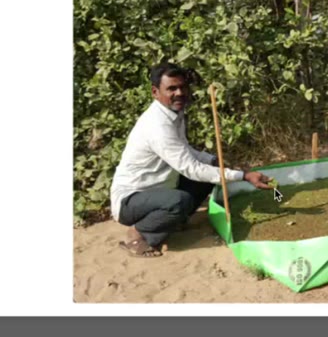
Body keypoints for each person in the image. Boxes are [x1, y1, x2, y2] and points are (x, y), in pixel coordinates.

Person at [109, 63, 273, 257]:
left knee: (208, 175)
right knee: (180, 200)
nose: (179, 93)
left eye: (182, 87)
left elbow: (185, 151)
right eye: (171, 88)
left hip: (160, 188)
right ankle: (139, 236)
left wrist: (215, 160)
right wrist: (243, 176)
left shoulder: (174, 113)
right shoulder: (157, 125)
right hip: (132, 199)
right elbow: (190, 168)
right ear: (155, 92)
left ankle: (171, 221)